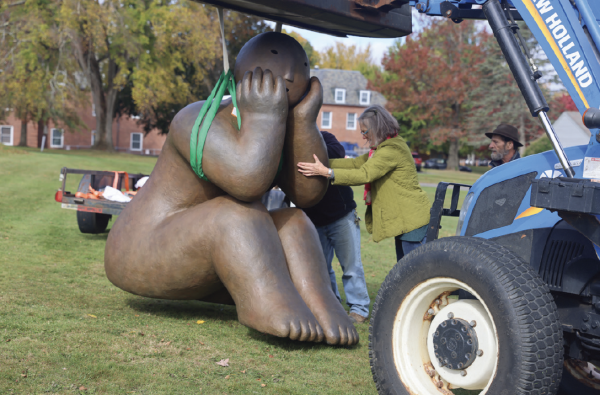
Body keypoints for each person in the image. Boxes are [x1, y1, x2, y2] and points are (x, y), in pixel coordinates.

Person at [104, 32, 359, 346]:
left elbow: (308, 194)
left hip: (215, 250)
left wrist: (304, 122)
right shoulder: (196, 120)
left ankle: (318, 300)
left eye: (302, 66)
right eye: (278, 61)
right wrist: (265, 115)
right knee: (239, 214)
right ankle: (264, 301)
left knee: (294, 221)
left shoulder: (280, 126)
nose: (291, 75)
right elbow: (246, 180)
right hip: (141, 249)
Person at [297, 105, 431, 264]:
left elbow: (364, 174)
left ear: (377, 128)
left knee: (416, 272)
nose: (363, 136)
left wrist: (327, 172)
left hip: (413, 221)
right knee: (407, 272)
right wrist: (319, 163)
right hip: (407, 222)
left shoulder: (392, 150)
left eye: (365, 131)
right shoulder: (381, 149)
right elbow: (355, 164)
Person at [302, 131, 370, 324]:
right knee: (321, 268)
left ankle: (359, 309)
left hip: (341, 216)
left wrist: (306, 151)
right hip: (313, 220)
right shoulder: (287, 145)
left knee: (351, 266)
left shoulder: (324, 137)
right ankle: (332, 304)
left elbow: (337, 151)